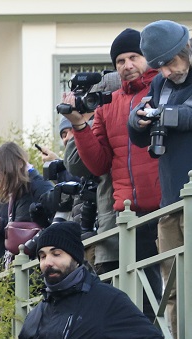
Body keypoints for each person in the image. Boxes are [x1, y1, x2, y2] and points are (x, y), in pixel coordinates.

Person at [67, 28, 163, 288]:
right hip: (129, 215)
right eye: (120, 61)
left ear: (148, 58)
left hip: (167, 207)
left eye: (134, 57)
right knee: (144, 298)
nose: (127, 65)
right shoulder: (107, 104)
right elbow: (98, 163)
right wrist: (78, 126)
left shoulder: (165, 91)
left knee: (174, 291)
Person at [14, 221, 168, 339]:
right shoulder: (36, 314)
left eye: (56, 254)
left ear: (75, 257)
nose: (48, 262)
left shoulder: (108, 301)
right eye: (42, 256)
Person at [130, 20, 192, 319]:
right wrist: (138, 119)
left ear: (185, 49)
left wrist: (166, 115)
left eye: (169, 63)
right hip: (170, 204)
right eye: (160, 68)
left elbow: (186, 115)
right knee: (174, 289)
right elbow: (140, 131)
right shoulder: (161, 84)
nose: (167, 72)